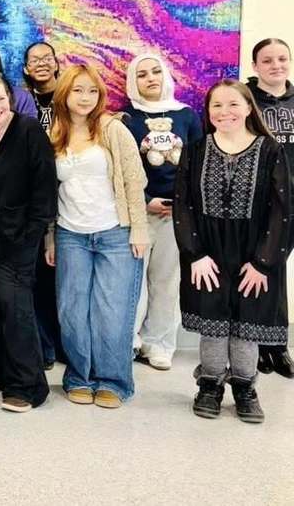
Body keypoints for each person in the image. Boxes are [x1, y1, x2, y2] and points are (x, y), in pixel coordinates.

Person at [174, 80, 290, 422]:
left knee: (247, 324)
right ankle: (210, 384)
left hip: (255, 253)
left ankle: (245, 387)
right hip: (207, 252)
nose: (224, 112)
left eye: (233, 104)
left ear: (248, 107)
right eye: (216, 106)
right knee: (213, 323)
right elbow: (183, 205)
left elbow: (281, 209)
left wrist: (264, 262)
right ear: (208, 112)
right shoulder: (195, 150)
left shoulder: (270, 150)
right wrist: (194, 254)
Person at [46, 64, 148, 409]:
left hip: (115, 234)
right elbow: (47, 191)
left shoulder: (112, 129)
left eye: (92, 90)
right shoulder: (55, 132)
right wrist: (50, 238)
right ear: (64, 94)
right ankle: (78, 376)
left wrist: (140, 230)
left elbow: (135, 182)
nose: (86, 97)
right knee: (72, 311)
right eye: (78, 90)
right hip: (70, 234)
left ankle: (113, 381)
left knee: (112, 312)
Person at [0, 75, 57, 412]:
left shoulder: (28, 130)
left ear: (10, 98)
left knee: (16, 306)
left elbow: (46, 185)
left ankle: (28, 385)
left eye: (0, 99)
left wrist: (35, 232)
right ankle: (0, 370)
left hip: (19, 235)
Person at [123, 53, 202, 371]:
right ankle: (129, 341)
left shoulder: (187, 116)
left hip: (175, 213)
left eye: (156, 71)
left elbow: (198, 165)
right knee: (132, 280)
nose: (150, 78)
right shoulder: (127, 118)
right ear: (134, 81)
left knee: (166, 280)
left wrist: (182, 204)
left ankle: (159, 343)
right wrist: (144, 199)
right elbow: (121, 169)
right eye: (142, 74)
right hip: (138, 212)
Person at [246, 37, 294, 378]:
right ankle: (259, 345)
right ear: (255, 66)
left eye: (282, 59)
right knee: (258, 268)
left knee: (276, 271)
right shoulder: (245, 101)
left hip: (291, 200)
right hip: (257, 202)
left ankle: (275, 345)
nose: (276, 65)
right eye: (268, 60)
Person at [22, 40, 62, 368]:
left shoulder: (70, 96)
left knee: (60, 276)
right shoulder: (23, 101)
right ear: (25, 69)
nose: (41, 64)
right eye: (34, 60)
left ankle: (62, 344)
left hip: (68, 195)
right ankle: (43, 346)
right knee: (37, 275)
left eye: (47, 58)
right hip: (31, 197)